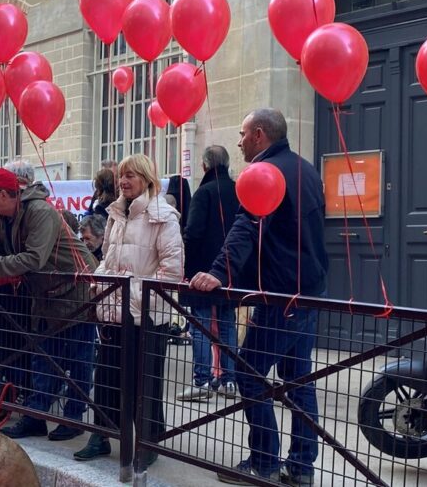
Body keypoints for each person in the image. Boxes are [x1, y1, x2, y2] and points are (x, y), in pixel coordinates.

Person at [191, 108, 327, 486]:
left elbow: (244, 229)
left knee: (249, 377)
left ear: (259, 135)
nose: (238, 141)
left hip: (282, 297)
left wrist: (218, 273)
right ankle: (301, 467)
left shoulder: (264, 174)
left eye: (243, 133)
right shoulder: (306, 168)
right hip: (308, 292)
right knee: (299, 380)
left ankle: (264, 462)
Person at [0, 167, 97, 442]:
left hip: (75, 291)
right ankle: (36, 417)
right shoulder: (4, 217)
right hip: (46, 294)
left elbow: (34, 258)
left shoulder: (40, 211)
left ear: (3, 194)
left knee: (77, 359)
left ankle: (73, 418)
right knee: (43, 359)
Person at [74, 154, 183, 464]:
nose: (123, 181)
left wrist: (134, 297)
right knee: (106, 376)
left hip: (144, 314)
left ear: (147, 178)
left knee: (145, 382)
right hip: (113, 308)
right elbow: (108, 257)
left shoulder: (164, 215)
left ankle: (148, 444)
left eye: (130, 175)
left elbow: (172, 272)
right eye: (121, 175)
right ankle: (101, 435)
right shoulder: (115, 213)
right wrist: (100, 285)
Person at [177, 146, 240, 402]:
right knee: (227, 325)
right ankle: (229, 381)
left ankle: (201, 381)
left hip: (202, 268)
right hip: (230, 269)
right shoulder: (237, 190)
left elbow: (193, 233)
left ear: (204, 166)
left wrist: (185, 267)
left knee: (200, 324)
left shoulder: (203, 193)